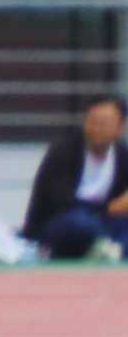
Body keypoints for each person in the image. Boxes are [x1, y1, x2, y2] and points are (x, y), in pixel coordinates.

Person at [26, 96, 128, 258]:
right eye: (92, 121)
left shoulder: (122, 155)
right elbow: (60, 201)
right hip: (61, 221)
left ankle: (109, 249)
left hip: (104, 221)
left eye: (104, 123)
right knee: (80, 223)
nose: (97, 128)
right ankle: (107, 248)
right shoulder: (64, 151)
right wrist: (108, 207)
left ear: (120, 127)